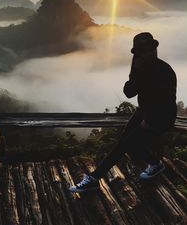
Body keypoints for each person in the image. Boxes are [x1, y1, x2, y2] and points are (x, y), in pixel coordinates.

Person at [70, 32, 177, 193]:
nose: (150, 52)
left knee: (127, 144)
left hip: (161, 116)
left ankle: (94, 178)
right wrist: (135, 71)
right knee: (124, 144)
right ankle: (155, 163)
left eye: (152, 48)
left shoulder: (164, 71)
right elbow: (129, 92)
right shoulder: (141, 70)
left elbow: (165, 102)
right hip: (145, 112)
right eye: (145, 50)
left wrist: (148, 121)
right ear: (139, 54)